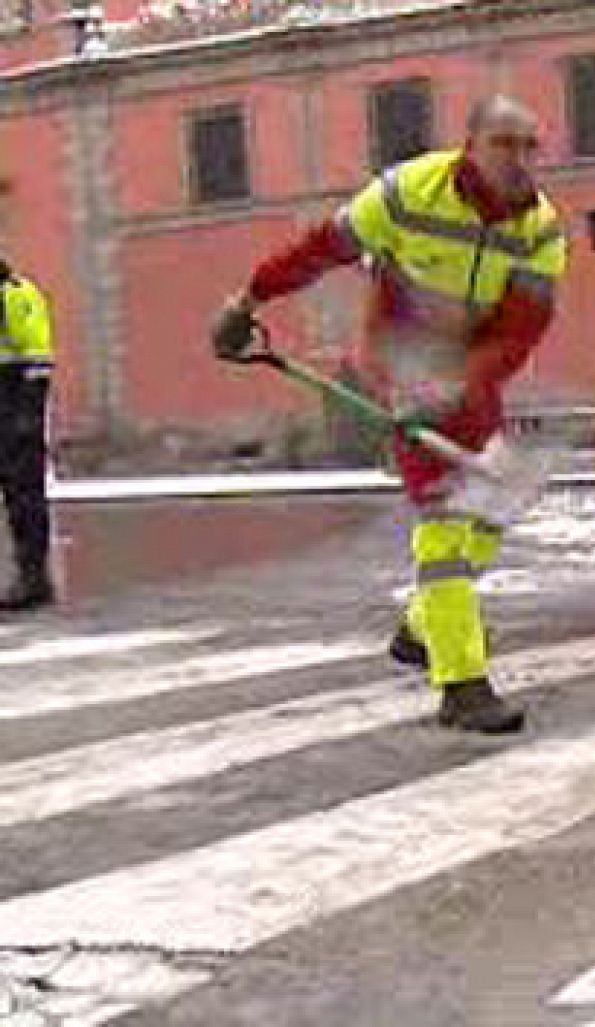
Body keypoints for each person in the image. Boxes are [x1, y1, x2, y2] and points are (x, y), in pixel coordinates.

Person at [213, 94, 567, 733]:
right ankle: (461, 685)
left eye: (529, 146)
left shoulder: (540, 229)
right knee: (446, 522)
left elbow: (521, 330)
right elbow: (322, 248)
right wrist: (249, 297)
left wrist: (465, 382)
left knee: (496, 504)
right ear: (471, 145)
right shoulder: (407, 193)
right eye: (504, 144)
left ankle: (418, 630)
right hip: (401, 353)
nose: (519, 159)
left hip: (471, 364)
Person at [0, 256, 57, 613]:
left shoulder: (17, 294)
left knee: (24, 495)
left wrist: (29, 414)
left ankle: (34, 578)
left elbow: (37, 357)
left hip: (15, 397)